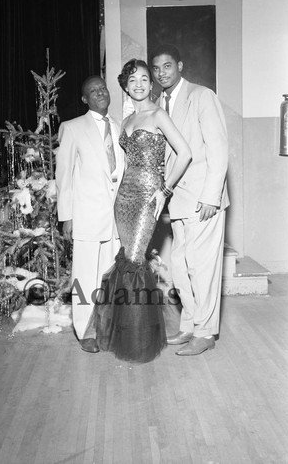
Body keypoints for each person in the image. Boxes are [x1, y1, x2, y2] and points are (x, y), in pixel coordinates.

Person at [88, 59, 192, 363]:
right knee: (127, 260)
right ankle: (119, 334)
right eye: (132, 80)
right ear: (124, 85)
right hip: (124, 198)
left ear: (152, 83)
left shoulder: (158, 115)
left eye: (145, 79)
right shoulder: (128, 121)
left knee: (135, 261)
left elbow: (184, 153)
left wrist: (165, 189)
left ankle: (138, 342)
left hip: (149, 197)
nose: (139, 85)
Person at [150, 44, 230, 356]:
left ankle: (205, 332)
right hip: (178, 201)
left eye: (167, 66)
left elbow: (218, 148)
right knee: (181, 267)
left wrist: (212, 195)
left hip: (202, 200)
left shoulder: (201, 95)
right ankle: (190, 324)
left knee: (203, 268)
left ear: (180, 66)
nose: (161, 73)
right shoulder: (159, 103)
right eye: (156, 69)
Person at [55, 76, 126, 353]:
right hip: (86, 217)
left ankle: (107, 328)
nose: (101, 93)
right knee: (85, 277)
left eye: (103, 89)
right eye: (93, 91)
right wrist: (67, 217)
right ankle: (85, 331)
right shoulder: (72, 128)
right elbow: (64, 177)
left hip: (114, 222)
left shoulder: (119, 128)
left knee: (109, 277)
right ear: (84, 99)